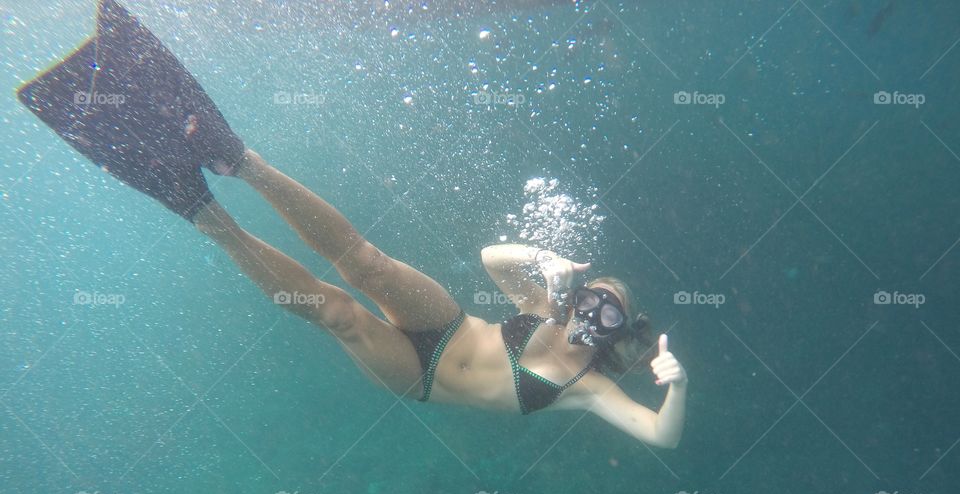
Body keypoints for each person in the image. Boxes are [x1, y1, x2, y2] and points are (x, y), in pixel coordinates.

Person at [18, 0, 687, 447]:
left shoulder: (590, 387)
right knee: (364, 260)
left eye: (609, 317)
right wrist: (547, 258)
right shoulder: (543, 304)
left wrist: (676, 384)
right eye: (596, 298)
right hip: (447, 322)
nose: (593, 315)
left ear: (615, 336)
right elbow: (492, 257)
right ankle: (235, 159)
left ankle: (200, 210)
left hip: (419, 377)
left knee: (337, 311)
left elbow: (659, 434)